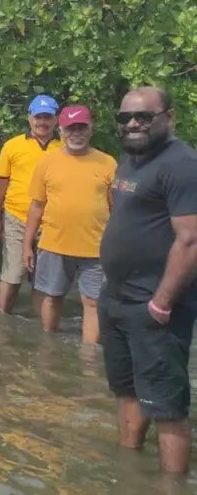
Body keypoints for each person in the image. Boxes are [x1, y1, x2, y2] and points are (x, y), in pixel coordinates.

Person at [98, 87, 197, 475]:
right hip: (117, 298)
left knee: (167, 408)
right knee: (127, 391)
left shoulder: (183, 164)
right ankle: (130, 474)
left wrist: (162, 302)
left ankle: (171, 485)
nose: (133, 124)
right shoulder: (132, 158)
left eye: (143, 116)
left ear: (168, 117)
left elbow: (190, 240)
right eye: (125, 118)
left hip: (156, 306)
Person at [21, 105, 114, 343]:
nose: (76, 133)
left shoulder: (108, 163)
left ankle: (89, 358)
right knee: (51, 297)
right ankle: (48, 348)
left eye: (81, 127)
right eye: (70, 128)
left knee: (93, 302)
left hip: (97, 249)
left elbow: (117, 209)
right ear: (61, 130)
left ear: (91, 129)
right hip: (54, 245)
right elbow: (36, 206)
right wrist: (27, 245)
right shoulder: (47, 162)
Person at [0, 94, 61, 314]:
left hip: (51, 221)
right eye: (38, 116)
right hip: (16, 217)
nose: (42, 122)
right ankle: (2, 319)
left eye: (47, 117)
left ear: (56, 119)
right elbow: (0, 183)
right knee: (13, 275)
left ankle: (42, 328)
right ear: (29, 117)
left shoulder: (65, 148)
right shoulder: (12, 146)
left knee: (42, 280)